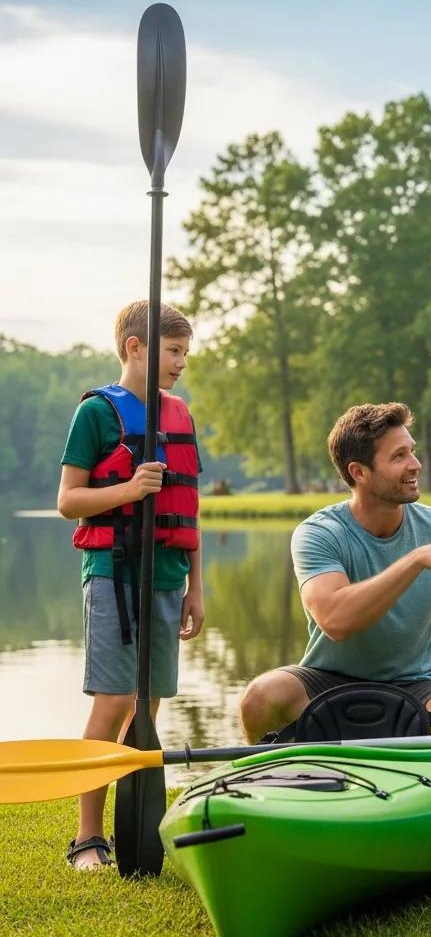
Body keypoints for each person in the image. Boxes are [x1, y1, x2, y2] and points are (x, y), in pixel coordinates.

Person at [239, 402, 431, 743]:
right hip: (326, 677)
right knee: (261, 697)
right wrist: (414, 560)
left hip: (415, 683)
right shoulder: (319, 533)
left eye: (412, 451)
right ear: (359, 472)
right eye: (399, 456)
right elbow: (335, 621)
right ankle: (271, 780)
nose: (415, 464)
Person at [57, 301, 205, 869]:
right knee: (115, 699)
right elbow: (69, 501)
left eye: (186, 353)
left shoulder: (180, 415)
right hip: (114, 575)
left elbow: (189, 509)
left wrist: (196, 587)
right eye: (173, 351)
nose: (182, 363)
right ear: (134, 347)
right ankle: (87, 837)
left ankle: (135, 823)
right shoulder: (96, 413)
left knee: (151, 702)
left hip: (168, 577)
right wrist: (127, 491)